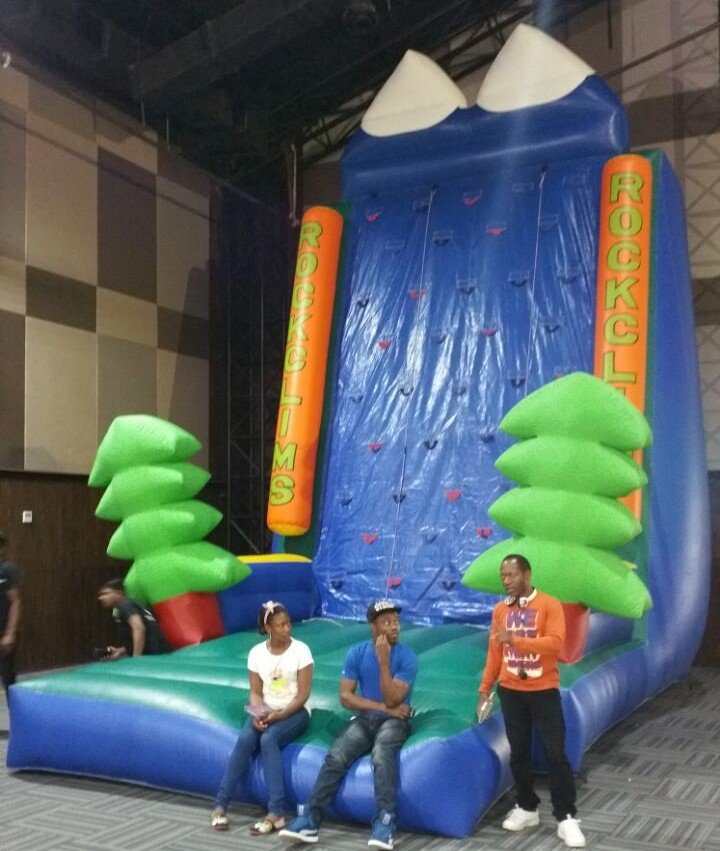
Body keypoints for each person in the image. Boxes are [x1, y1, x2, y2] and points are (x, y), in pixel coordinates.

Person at [280, 599, 418, 850]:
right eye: (387, 622)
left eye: (396, 621)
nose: (394, 626)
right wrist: (383, 708)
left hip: (396, 722)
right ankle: (311, 818)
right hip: (367, 718)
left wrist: (384, 662)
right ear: (373, 627)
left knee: (382, 753)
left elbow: (393, 699)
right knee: (337, 754)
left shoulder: (407, 656)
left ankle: (385, 821)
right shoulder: (356, 653)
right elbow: (345, 697)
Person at [477, 554, 586, 849]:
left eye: (511, 575)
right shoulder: (500, 610)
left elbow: (555, 644)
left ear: (527, 575)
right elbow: (495, 654)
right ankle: (527, 807)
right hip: (510, 691)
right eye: (503, 576)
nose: (506, 581)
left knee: (555, 753)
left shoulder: (549, 605)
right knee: (519, 751)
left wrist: (516, 640)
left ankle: (566, 817)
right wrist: (484, 689)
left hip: (543, 690)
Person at [211, 600, 313, 834]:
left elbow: (303, 695)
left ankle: (277, 812)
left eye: (288, 624)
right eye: (281, 625)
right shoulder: (257, 653)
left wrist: (279, 715)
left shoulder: (301, 651)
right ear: (268, 628)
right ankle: (220, 804)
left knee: (269, 739)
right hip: (268, 710)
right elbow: (256, 692)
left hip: (294, 712)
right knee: (246, 738)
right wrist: (258, 712)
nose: (287, 629)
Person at [97, 579, 171, 658]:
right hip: (156, 653)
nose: (101, 598)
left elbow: (139, 628)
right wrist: (121, 651)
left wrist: (136, 659)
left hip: (155, 656)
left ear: (118, 593)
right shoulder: (124, 606)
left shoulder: (125, 605)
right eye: (101, 595)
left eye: (106, 593)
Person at [0, 531, 21, 703]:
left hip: (3, 632)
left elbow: (15, 602)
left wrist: (10, 633)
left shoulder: (7, 569)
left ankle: (15, 715)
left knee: (7, 678)